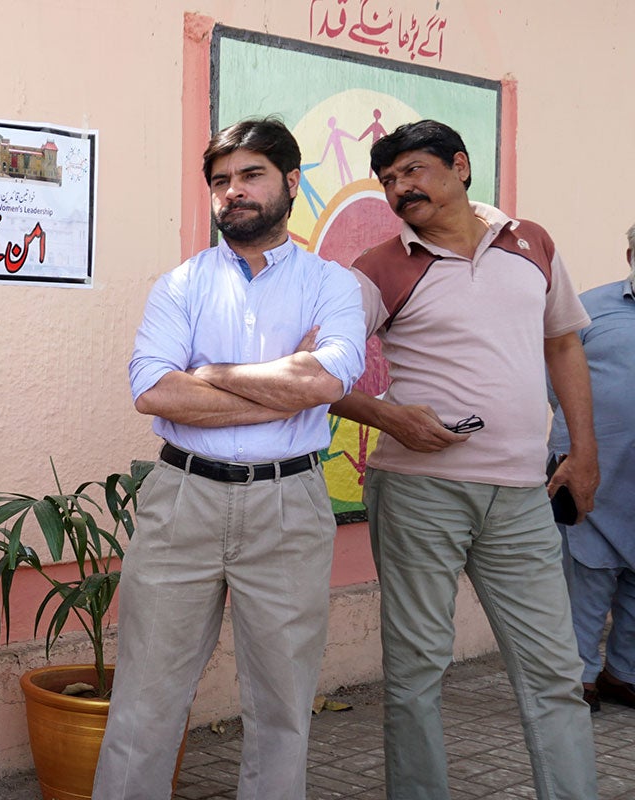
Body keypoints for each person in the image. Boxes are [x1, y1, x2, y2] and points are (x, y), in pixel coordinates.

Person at [98, 117, 367, 799]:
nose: (233, 192)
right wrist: (283, 383)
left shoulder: (332, 284)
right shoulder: (181, 285)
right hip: (181, 500)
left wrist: (210, 373)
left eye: (251, 176)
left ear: (292, 183)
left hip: (288, 505)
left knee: (281, 709)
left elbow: (326, 384)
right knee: (144, 705)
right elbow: (153, 391)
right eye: (221, 181)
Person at [332, 119, 598, 799]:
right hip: (420, 492)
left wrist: (582, 452)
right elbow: (320, 373)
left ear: (461, 166)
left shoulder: (532, 243)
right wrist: (388, 414)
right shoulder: (380, 268)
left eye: (413, 171)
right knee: (416, 673)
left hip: (521, 494)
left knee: (555, 672)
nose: (399, 189)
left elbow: (563, 344)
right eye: (389, 180)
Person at [548, 222, 635, 713]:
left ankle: (623, 674)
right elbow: (550, 377)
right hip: (593, 477)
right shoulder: (588, 309)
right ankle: (575, 678)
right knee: (586, 579)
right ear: (629, 255)